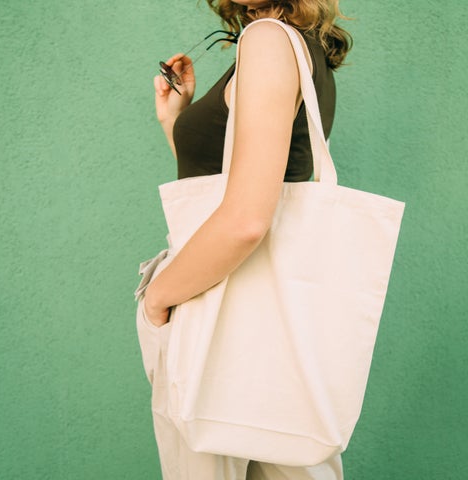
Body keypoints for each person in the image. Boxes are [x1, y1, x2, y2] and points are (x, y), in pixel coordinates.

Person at [141, 1, 352, 478]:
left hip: (216, 305)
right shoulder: (304, 45)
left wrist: (158, 296)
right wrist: (179, 121)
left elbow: (246, 219)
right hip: (273, 318)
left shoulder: (267, 40)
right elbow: (227, 187)